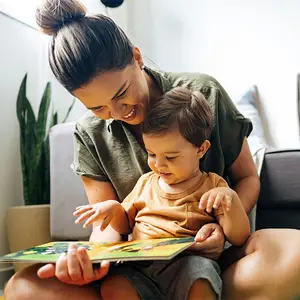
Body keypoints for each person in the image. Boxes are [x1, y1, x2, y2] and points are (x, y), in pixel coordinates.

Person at [4, 0, 300, 299]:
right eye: (97, 107)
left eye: (122, 94)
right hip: (138, 270)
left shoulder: (203, 93)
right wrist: (93, 260)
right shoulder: (88, 132)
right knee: (24, 287)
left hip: (209, 258)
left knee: (295, 253)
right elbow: (108, 224)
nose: (118, 112)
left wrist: (223, 229)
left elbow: (247, 178)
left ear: (137, 57)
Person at [73, 87, 251, 300]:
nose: (159, 165)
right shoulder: (146, 183)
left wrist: (231, 201)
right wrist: (113, 211)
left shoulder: (213, 186)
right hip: (140, 266)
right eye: (152, 154)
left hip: (187, 264)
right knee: (115, 285)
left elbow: (239, 237)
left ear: (201, 150)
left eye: (171, 157)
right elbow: (126, 225)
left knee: (201, 279)